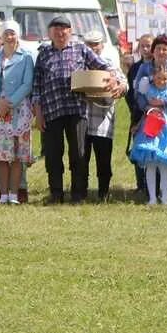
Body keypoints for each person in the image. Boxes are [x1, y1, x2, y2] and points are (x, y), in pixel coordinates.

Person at [31, 15, 123, 204]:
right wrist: (38, 113)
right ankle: (56, 193)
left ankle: (78, 194)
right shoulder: (43, 54)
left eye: (64, 28)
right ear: (50, 33)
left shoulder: (81, 49)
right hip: (52, 110)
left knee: (79, 154)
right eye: (56, 29)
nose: (60, 32)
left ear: (70, 31)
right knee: (53, 154)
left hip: (77, 110)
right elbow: (36, 87)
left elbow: (103, 65)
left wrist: (113, 78)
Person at [0, 20, 34, 205]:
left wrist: (9, 103)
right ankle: (3, 194)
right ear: (2, 37)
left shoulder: (26, 57)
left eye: (12, 33)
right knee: (2, 156)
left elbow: (27, 84)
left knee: (18, 155)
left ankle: (14, 193)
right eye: (6, 34)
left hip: (18, 111)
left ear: (17, 35)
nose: (9, 37)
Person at [129, 64, 167, 206]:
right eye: (159, 78)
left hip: (166, 130)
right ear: (153, 78)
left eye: (165, 78)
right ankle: (152, 198)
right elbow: (146, 112)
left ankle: (165, 198)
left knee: (165, 166)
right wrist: (137, 126)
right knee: (151, 165)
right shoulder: (149, 92)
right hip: (150, 130)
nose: (162, 81)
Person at [81, 30, 118, 201]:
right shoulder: (79, 64)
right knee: (81, 159)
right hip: (81, 119)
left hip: (103, 120)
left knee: (103, 159)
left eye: (96, 44)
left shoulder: (109, 64)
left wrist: (118, 87)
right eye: (89, 44)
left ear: (102, 45)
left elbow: (123, 83)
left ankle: (103, 192)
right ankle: (81, 191)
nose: (93, 48)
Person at [125, 34, 155, 197]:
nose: (146, 49)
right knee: (139, 148)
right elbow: (130, 93)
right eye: (142, 45)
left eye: (149, 45)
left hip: (156, 113)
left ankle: (155, 184)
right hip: (138, 114)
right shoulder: (135, 68)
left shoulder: (160, 66)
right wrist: (135, 109)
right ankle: (140, 184)